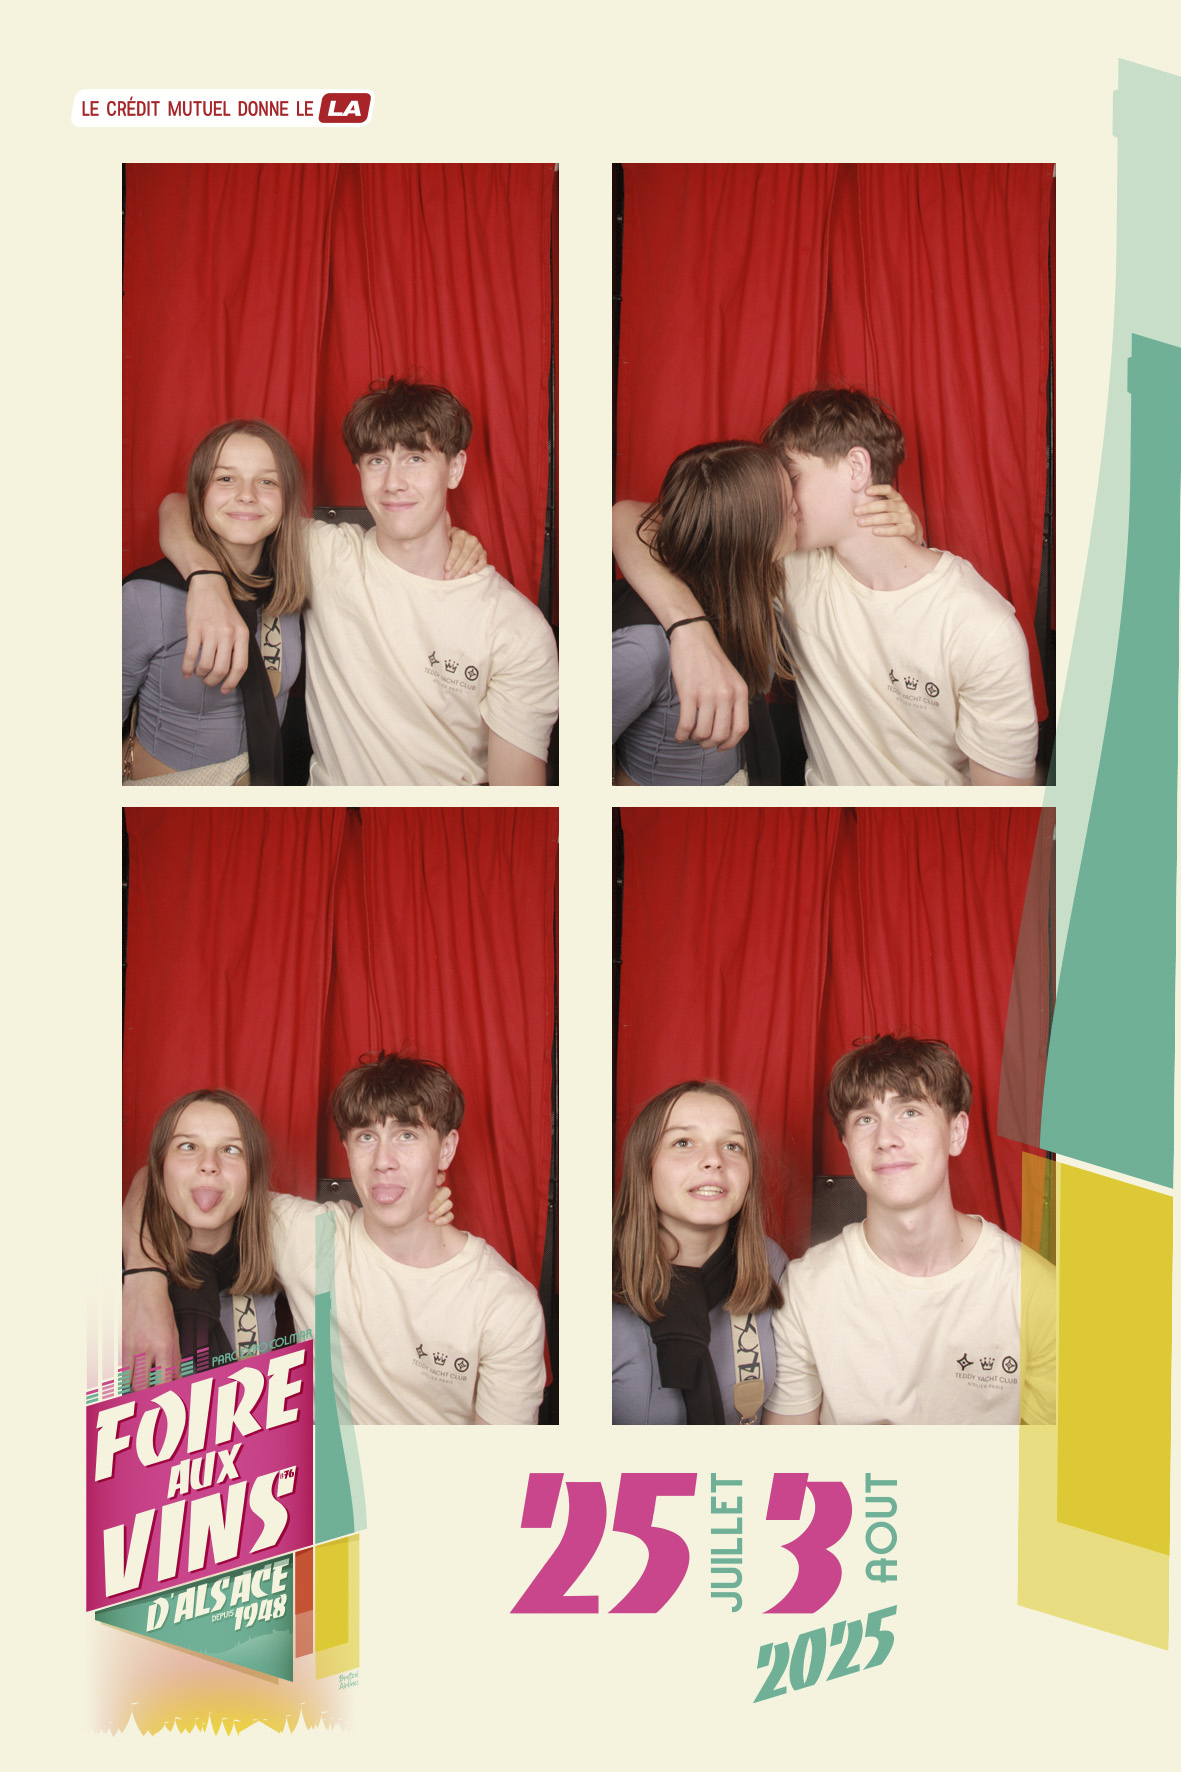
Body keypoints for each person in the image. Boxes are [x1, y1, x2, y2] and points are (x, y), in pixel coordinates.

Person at [613, 387, 1039, 787]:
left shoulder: (982, 627)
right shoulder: (793, 565)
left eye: (791, 475)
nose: (779, 497)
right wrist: (688, 629)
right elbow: (627, 519)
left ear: (856, 468)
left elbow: (1004, 812)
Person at [160, 378, 559, 787]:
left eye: (416, 458)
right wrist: (205, 580)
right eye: (377, 461)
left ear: (455, 468)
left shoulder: (517, 629)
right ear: (359, 470)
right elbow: (181, 507)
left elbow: (517, 800)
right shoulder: (323, 554)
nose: (393, 483)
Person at [123, 1052, 546, 1426]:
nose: (383, 1162)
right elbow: (161, 1182)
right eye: (366, 1137)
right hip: (320, 1484)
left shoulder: (505, 1305)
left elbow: (496, 1473)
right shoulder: (313, 1236)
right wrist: (144, 1280)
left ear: (447, 1149)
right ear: (346, 1147)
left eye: (407, 1135)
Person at [763, 1035, 1056, 1426]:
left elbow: (1055, 1461)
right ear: (847, 1145)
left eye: (910, 1112)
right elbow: (787, 1457)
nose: (886, 1139)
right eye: (865, 1119)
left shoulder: (1035, 1289)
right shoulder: (805, 1288)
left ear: (957, 1132)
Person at [123, 421, 308, 786]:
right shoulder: (146, 598)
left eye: (267, 481)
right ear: (200, 491)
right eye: (226, 478)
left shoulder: (290, 586)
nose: (246, 495)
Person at [613, 442, 794, 786]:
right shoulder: (644, 649)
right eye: (786, 507)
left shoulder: (754, 586)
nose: (799, 510)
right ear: (746, 533)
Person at [612, 1081, 786, 1424]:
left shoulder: (772, 1265)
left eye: (732, 1146)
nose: (713, 1161)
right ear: (645, 1164)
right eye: (683, 1142)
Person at [125, 1089, 293, 1366]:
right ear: (161, 1166)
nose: (209, 1165)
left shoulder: (283, 1256)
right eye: (188, 1146)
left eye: (231, 1149)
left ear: (252, 1173)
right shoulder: (115, 1282)